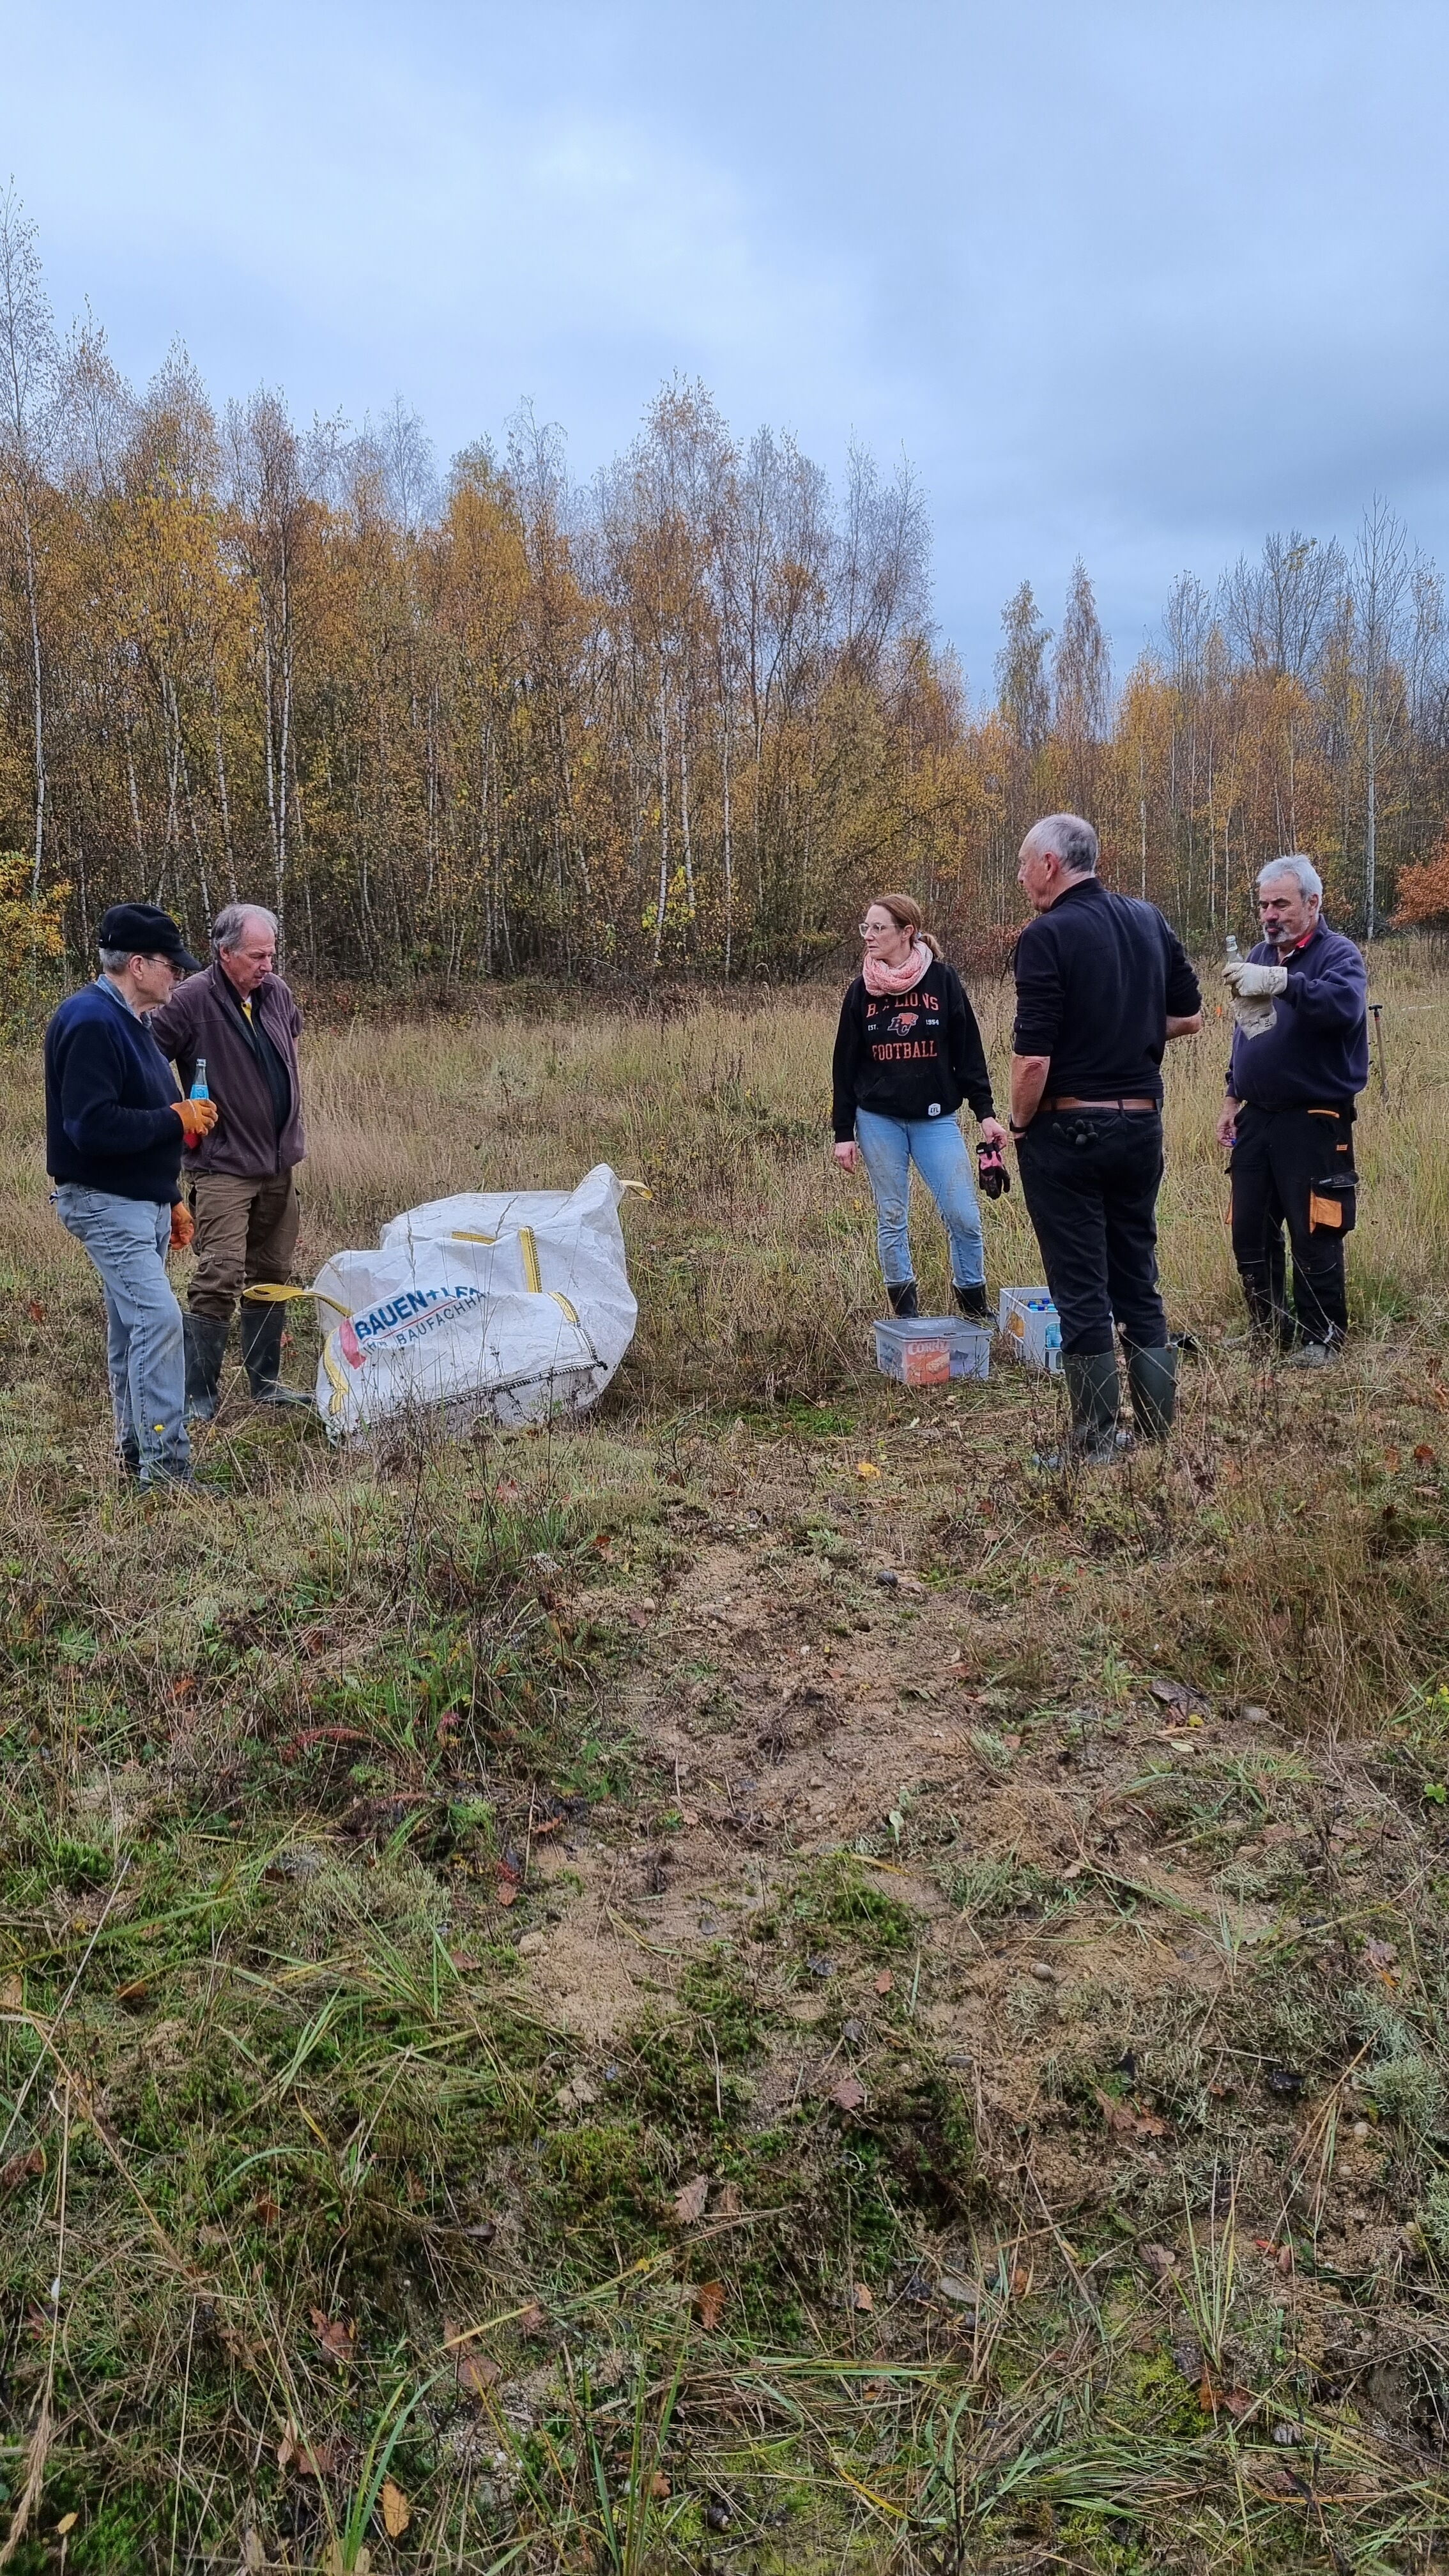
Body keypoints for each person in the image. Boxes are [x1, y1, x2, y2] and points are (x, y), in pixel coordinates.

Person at [1009, 814, 1202, 1457]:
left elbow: (1032, 1061)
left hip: (1069, 1128)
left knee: (1080, 1285)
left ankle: (1094, 1440)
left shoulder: (1046, 935)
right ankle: (1155, 1433)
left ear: (1050, 865)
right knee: (1136, 1276)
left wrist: (1019, 1125)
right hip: (1141, 1123)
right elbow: (1189, 1016)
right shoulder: (1148, 919)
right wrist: (1127, 1025)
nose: (1020, 877)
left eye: (1023, 864)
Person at [44, 903, 218, 1487]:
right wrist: (176, 1117)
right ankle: (166, 1469)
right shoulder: (92, 1022)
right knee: (158, 1321)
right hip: (104, 1201)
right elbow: (90, 1128)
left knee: (131, 1328)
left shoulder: (134, 1022)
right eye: (172, 965)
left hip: (138, 1200)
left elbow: (135, 1118)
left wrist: (168, 1195)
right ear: (138, 965)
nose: (180, 976)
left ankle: (134, 1452)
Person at [151, 901, 311, 1419]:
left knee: (274, 1270)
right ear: (224, 953)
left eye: (271, 954)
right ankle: (198, 1398)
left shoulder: (276, 993)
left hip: (278, 1164)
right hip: (222, 1165)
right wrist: (174, 1118)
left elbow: (286, 1052)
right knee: (220, 1274)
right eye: (257, 956)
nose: (268, 965)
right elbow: (144, 1063)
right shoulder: (189, 1000)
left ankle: (265, 1385)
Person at [1217, 855, 1368, 1367]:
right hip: (1257, 1115)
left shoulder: (1337, 954)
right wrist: (1232, 1096)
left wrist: (1282, 982)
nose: (1269, 915)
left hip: (1314, 1118)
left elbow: (1344, 1008)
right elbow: (1247, 1032)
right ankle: (1267, 1329)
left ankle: (1321, 1336)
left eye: (1280, 904)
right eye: (1263, 905)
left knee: (1314, 1228)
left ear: (1312, 902)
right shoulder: (1260, 954)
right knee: (1250, 1229)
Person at [832, 893, 1008, 1318]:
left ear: (906, 932)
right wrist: (843, 1133)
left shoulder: (942, 981)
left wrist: (985, 1113)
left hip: (936, 1119)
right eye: (866, 927)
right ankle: (906, 1318)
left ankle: (973, 1307)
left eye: (879, 928)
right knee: (892, 1217)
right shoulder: (861, 991)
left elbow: (969, 1053)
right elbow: (844, 1067)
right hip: (878, 1121)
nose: (869, 936)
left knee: (963, 1215)